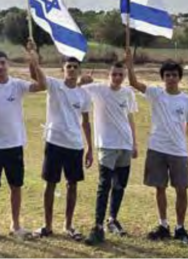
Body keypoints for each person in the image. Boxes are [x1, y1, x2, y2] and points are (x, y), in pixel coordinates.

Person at [0, 39, 46, 241]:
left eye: (2, 63)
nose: (0, 67)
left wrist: (33, 59)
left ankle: (15, 225)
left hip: (14, 145)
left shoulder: (17, 85)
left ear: (8, 64)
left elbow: (42, 85)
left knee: (16, 186)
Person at [126, 49, 188, 244]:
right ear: (163, 78)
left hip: (179, 151)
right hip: (157, 148)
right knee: (160, 188)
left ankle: (180, 228)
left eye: (174, 75)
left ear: (179, 77)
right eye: (167, 75)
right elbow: (133, 82)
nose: (171, 78)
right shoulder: (156, 94)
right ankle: (163, 225)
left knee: (181, 189)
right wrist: (130, 64)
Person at [30, 56, 92, 242]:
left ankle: (68, 225)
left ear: (79, 70)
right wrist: (32, 57)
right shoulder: (54, 85)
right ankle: (47, 225)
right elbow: (35, 75)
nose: (71, 69)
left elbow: (86, 122)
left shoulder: (84, 95)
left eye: (75, 67)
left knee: (72, 185)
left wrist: (90, 147)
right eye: (68, 66)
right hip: (54, 142)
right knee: (50, 183)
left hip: (75, 145)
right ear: (63, 70)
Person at [80, 62, 138, 245]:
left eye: (121, 75)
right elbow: (76, 90)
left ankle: (112, 219)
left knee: (119, 185)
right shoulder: (98, 89)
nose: (117, 78)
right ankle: (97, 225)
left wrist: (134, 143)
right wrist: (82, 81)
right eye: (114, 74)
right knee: (104, 184)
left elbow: (130, 117)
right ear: (108, 75)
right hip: (106, 145)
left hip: (125, 144)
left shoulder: (128, 93)